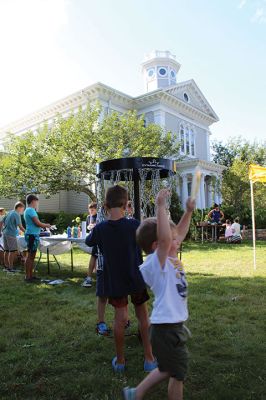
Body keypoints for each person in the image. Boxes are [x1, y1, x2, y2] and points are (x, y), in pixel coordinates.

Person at [123, 189, 195, 400]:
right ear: (157, 246)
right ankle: (138, 393)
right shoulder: (157, 263)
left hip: (171, 327)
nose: (177, 241)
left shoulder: (169, 257)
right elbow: (166, 240)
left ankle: (137, 393)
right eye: (171, 239)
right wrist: (161, 207)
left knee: (167, 369)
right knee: (177, 372)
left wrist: (188, 211)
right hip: (166, 328)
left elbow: (178, 232)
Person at [86, 185, 156, 372]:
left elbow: (88, 241)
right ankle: (149, 359)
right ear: (126, 204)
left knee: (119, 320)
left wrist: (101, 221)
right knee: (143, 317)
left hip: (115, 282)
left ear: (105, 205)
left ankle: (121, 361)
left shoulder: (100, 228)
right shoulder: (134, 225)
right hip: (136, 279)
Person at [24, 194, 51, 282]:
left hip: (33, 234)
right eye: (36, 201)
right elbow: (37, 223)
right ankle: (28, 277)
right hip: (32, 235)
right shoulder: (31, 210)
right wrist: (47, 225)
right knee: (30, 256)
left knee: (32, 256)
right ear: (32, 201)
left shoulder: (28, 210)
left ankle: (31, 275)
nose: (37, 204)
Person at [2, 202, 25, 271]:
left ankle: (6, 266)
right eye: (22, 209)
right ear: (19, 208)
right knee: (12, 251)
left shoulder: (9, 212)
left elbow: (2, 221)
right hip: (11, 234)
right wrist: (27, 232)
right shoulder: (16, 214)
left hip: (4, 233)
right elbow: (20, 226)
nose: (22, 211)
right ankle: (10, 268)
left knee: (6, 250)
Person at [82, 202, 98, 288]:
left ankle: (90, 277)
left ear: (96, 209)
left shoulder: (99, 216)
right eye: (90, 210)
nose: (91, 211)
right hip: (92, 237)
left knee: (94, 256)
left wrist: (95, 225)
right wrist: (89, 227)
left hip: (98, 238)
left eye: (93, 210)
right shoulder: (89, 217)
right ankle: (90, 276)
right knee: (94, 256)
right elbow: (88, 227)